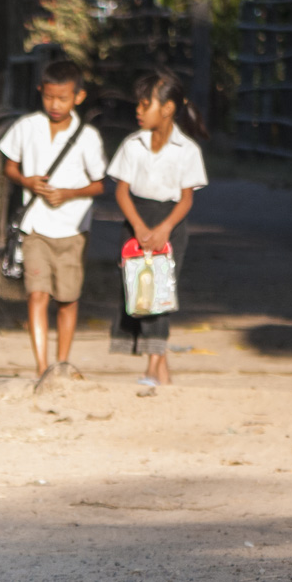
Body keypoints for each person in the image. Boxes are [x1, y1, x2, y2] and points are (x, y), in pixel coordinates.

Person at [0, 59, 107, 379]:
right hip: (35, 226)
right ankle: (41, 367)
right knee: (37, 294)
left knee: (68, 298)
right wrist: (28, 182)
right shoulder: (26, 127)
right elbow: (9, 167)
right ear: (39, 93)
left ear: (79, 97)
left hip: (73, 228)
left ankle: (62, 363)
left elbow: (100, 183)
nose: (55, 104)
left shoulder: (87, 137)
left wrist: (69, 193)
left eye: (62, 98)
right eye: (49, 97)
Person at [108, 70, 209, 385]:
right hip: (136, 221)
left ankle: (151, 368)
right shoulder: (131, 145)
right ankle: (161, 370)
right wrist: (138, 226)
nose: (138, 110)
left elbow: (186, 199)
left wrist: (164, 229)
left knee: (157, 293)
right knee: (138, 292)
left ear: (167, 109)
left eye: (144, 104)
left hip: (171, 225)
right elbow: (122, 191)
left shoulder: (187, 150)